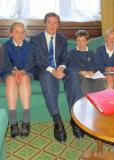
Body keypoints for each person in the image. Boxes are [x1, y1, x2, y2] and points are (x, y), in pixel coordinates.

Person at [30, 12, 84, 143]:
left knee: (74, 73)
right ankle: (57, 121)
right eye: (49, 22)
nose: (52, 25)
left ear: (58, 25)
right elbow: (36, 60)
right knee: (47, 77)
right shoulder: (35, 39)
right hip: (44, 70)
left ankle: (75, 118)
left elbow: (65, 58)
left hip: (59, 69)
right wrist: (52, 70)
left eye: (55, 23)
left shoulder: (62, 39)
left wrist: (61, 67)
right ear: (45, 23)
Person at [1, 22, 34, 138]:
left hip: (26, 72)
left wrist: (22, 72)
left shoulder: (29, 45)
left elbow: (31, 63)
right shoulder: (5, 46)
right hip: (10, 72)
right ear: (11, 33)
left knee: (24, 79)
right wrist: (14, 72)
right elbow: (5, 64)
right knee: (10, 80)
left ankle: (26, 121)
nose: (20, 35)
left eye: (22, 32)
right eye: (16, 32)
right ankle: (13, 122)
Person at [67, 30, 105, 94]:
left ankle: (99, 100)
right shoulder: (72, 52)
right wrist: (80, 71)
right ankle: (87, 100)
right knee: (85, 81)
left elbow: (94, 64)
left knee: (98, 81)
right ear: (75, 42)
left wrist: (91, 70)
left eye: (83, 40)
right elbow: (71, 64)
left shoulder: (91, 52)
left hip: (90, 74)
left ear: (87, 41)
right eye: (78, 41)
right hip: (79, 74)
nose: (80, 43)